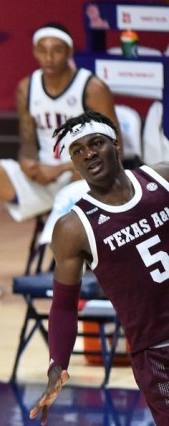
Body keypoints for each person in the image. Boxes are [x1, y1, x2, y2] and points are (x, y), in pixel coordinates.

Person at [0, 22, 119, 304]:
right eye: (43, 51)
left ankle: (83, 282)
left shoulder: (91, 87)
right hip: (45, 176)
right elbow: (27, 141)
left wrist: (62, 168)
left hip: (81, 175)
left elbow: (112, 146)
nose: (49, 58)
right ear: (35, 52)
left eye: (57, 51)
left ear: (69, 52)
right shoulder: (27, 87)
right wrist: (28, 164)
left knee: (78, 182)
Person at [29, 112, 169, 425]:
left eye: (95, 143)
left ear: (115, 145)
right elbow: (64, 306)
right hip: (157, 352)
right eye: (77, 151)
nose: (88, 153)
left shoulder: (163, 178)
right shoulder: (73, 228)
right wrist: (57, 367)